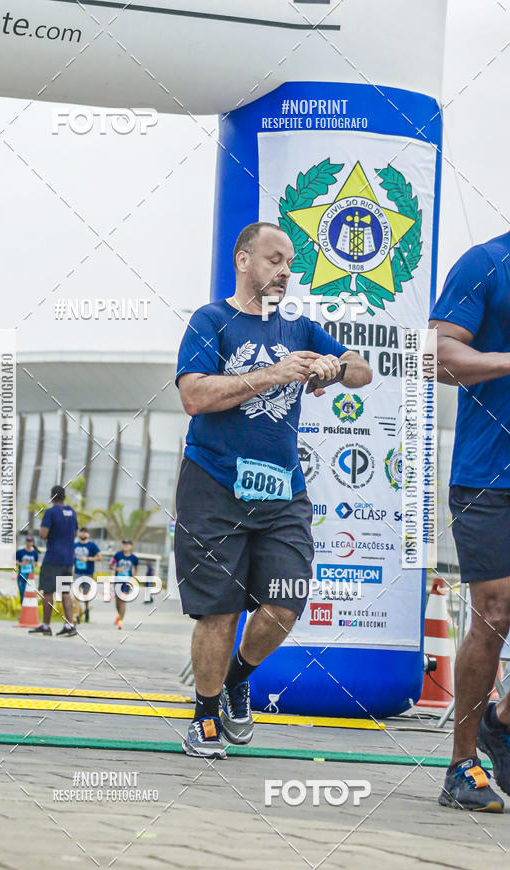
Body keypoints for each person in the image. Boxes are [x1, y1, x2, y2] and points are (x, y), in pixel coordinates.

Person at [175, 221, 372, 758]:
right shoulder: (211, 321)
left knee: (285, 603)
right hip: (214, 485)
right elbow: (194, 396)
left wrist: (337, 367)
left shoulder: (301, 328)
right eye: (274, 259)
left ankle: (238, 679)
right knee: (218, 609)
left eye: (290, 264)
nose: (285, 272)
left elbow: (364, 371)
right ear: (244, 261)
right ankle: (205, 716)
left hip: (283, 490)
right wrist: (273, 374)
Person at [430, 233, 510, 813]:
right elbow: (438, 359)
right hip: (490, 477)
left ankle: (501, 720)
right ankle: (461, 766)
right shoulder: (485, 264)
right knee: (498, 613)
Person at [29, 485, 78, 637]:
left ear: (52, 497)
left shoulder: (50, 512)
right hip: (68, 559)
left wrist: (46, 534)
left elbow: (44, 534)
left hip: (53, 559)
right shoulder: (72, 512)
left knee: (48, 591)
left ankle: (46, 625)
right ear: (64, 497)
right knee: (65, 592)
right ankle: (69, 625)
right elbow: (75, 532)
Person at [73, 527, 101, 623]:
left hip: (88, 572)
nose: (83, 534)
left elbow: (99, 557)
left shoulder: (92, 545)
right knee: (76, 592)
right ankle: (77, 614)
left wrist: (88, 559)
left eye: (85, 533)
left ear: (88, 535)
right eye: (82, 532)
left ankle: (87, 608)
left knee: (86, 593)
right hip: (77, 572)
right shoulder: (75, 545)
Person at [110, 539, 139, 630]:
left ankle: (121, 621)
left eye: (128, 544)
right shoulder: (118, 555)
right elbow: (110, 564)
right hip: (117, 580)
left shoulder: (134, 558)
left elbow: (136, 569)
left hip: (127, 582)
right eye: (124, 544)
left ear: (131, 546)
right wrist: (117, 569)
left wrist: (133, 579)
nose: (126, 546)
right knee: (117, 602)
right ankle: (119, 615)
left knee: (123, 600)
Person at [15, 535, 39, 604]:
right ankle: (23, 607)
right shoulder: (20, 552)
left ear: (33, 543)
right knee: (22, 593)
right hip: (22, 575)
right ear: (25, 542)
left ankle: (29, 606)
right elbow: (15, 562)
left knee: (29, 593)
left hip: (30, 576)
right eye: (28, 541)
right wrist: (21, 563)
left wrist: (32, 563)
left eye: (30, 541)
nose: (29, 543)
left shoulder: (35, 553)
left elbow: (36, 564)